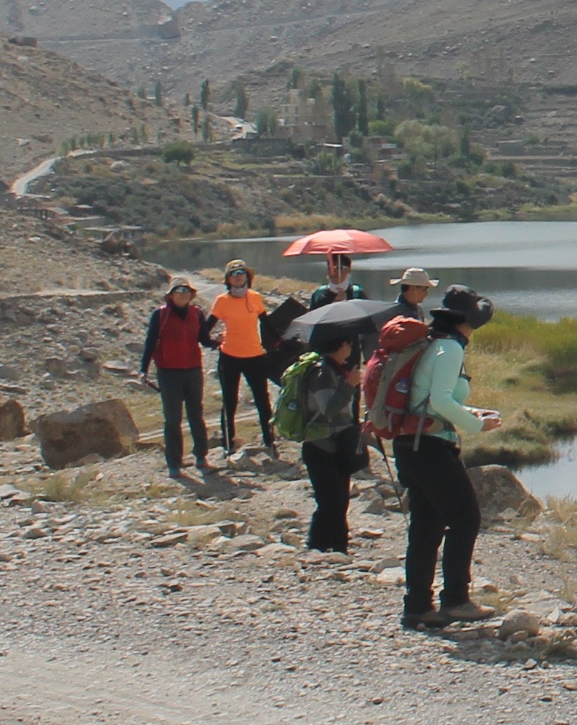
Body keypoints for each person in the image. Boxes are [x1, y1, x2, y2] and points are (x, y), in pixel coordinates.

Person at [366, 283, 495, 630]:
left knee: (426, 526)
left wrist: (472, 411)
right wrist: (475, 425)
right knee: (465, 518)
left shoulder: (432, 345)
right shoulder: (450, 349)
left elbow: (429, 399)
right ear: (466, 322)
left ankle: (418, 606)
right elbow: (439, 401)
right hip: (431, 446)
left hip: (411, 445)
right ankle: (455, 600)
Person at [277, 326, 367, 551]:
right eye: (348, 343)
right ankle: (317, 547)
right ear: (341, 345)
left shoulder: (336, 369)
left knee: (340, 500)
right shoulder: (323, 373)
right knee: (330, 502)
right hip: (321, 447)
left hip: (335, 444)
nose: (351, 347)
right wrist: (350, 386)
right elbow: (328, 408)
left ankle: (338, 547)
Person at [135, 280, 223, 479]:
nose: (183, 294)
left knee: (196, 415)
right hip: (168, 371)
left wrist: (215, 342)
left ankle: (201, 456)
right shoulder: (160, 314)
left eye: (187, 291)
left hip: (193, 369)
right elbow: (150, 342)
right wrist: (143, 369)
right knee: (172, 419)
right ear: (171, 295)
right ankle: (174, 462)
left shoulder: (196, 313)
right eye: (179, 291)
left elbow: (202, 339)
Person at [206, 260, 279, 458]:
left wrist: (279, 343)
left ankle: (269, 441)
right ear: (228, 279)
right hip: (229, 356)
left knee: (262, 400)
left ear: (248, 277)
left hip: (255, 355)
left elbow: (267, 325)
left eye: (242, 273)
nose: (239, 276)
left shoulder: (255, 297)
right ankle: (228, 444)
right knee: (230, 402)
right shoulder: (222, 301)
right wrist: (214, 342)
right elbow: (203, 332)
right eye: (234, 273)